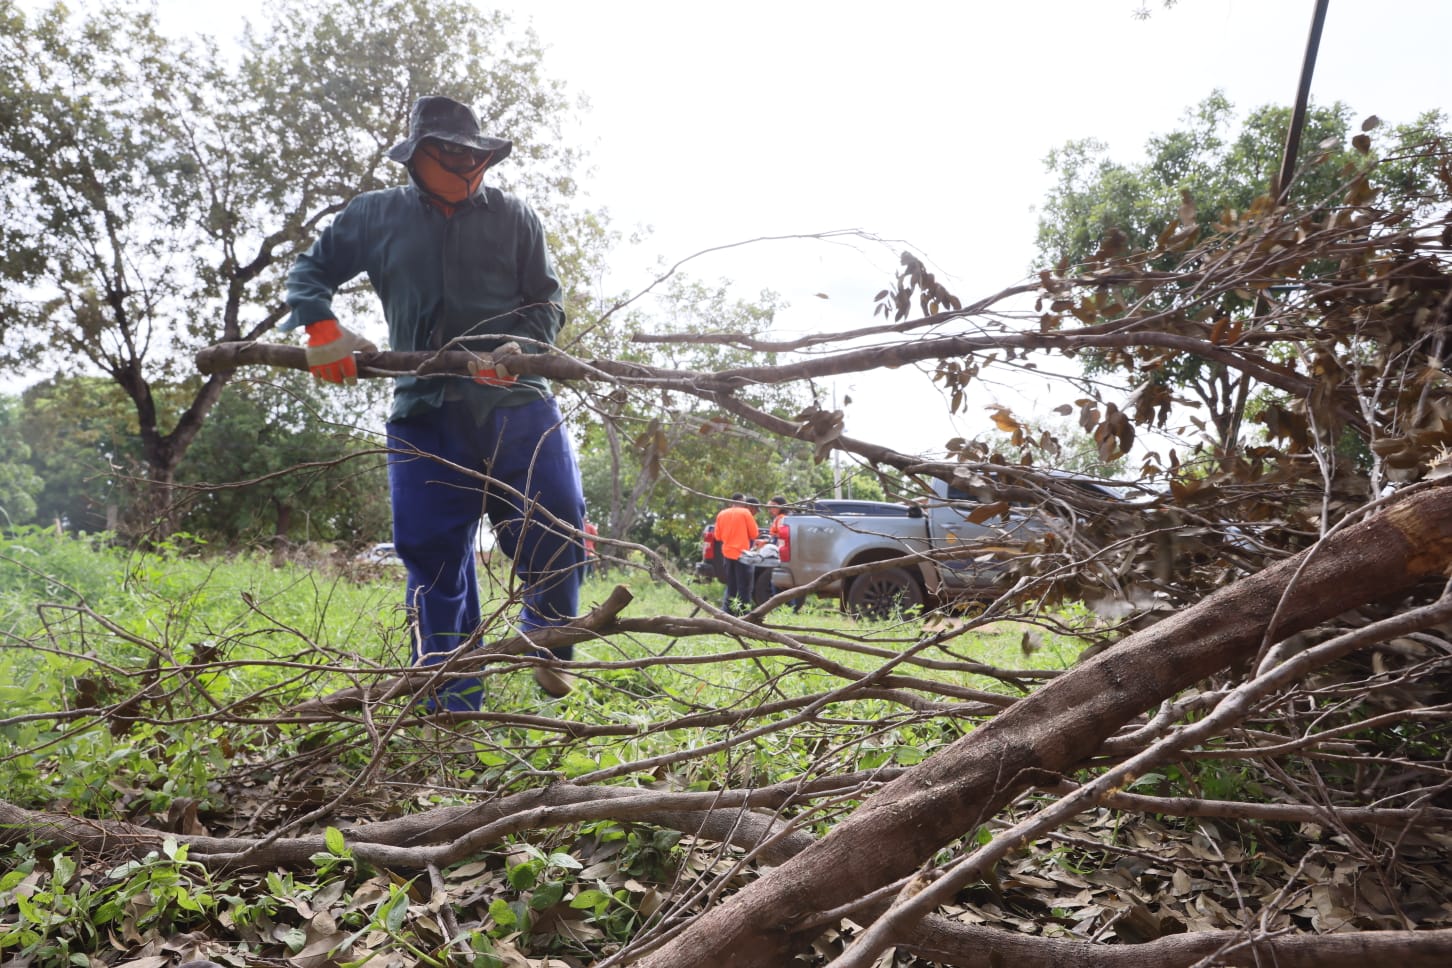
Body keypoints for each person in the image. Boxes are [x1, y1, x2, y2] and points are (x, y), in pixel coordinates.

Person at [283, 94, 585, 709]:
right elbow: (309, 273)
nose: (463, 165)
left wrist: (519, 348)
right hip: (423, 410)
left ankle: (549, 639)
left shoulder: (515, 217)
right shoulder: (373, 216)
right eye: (447, 153)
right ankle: (449, 696)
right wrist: (321, 327)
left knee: (557, 520)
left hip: (517, 403)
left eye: (472, 155)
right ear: (417, 156)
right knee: (432, 556)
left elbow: (546, 304)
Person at [713, 494, 757, 615]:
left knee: (731, 586)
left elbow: (717, 536)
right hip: (742, 555)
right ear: (742, 502)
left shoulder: (721, 514)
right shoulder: (745, 513)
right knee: (745, 587)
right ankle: (745, 614)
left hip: (727, 554)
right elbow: (754, 534)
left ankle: (728, 613)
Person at [766, 496, 804, 612]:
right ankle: (787, 608)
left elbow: (781, 536)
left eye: (773, 506)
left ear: (780, 506)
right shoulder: (781, 518)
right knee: (782, 583)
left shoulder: (782, 519)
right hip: (784, 553)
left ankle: (784, 608)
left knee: (779, 582)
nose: (770, 510)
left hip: (782, 553)